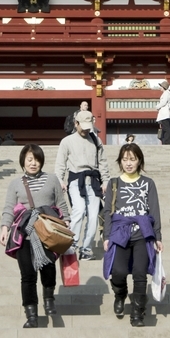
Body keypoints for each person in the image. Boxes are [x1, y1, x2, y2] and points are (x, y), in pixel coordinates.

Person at [0, 144, 70, 328]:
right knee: (27, 275)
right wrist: (5, 228)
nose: (33, 163)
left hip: (48, 232)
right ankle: (31, 315)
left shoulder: (52, 179)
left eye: (37, 160)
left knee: (48, 268)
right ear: (23, 161)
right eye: (29, 159)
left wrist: (66, 221)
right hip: (24, 234)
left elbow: (61, 204)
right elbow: (9, 208)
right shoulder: (15, 184)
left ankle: (49, 299)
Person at [102, 143, 163, 327]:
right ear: (120, 161)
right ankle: (120, 294)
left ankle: (137, 313)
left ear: (139, 161)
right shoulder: (114, 183)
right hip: (119, 233)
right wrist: (106, 236)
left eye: (133, 159)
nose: (128, 163)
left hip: (142, 233)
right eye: (125, 159)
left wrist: (157, 236)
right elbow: (107, 212)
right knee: (118, 271)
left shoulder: (148, 183)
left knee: (140, 273)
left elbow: (154, 210)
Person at [55, 109, 109, 260]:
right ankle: (71, 244)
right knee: (78, 211)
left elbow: (103, 162)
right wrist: (60, 180)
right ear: (76, 123)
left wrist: (105, 181)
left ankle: (86, 249)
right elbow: (60, 163)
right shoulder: (67, 141)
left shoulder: (96, 141)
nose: (85, 130)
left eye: (88, 127)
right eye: (83, 126)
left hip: (94, 181)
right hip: (76, 180)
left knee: (93, 217)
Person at [155, 80, 170, 145]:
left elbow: (163, 102)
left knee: (166, 128)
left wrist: (157, 106)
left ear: (163, 87)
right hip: (164, 113)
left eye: (161, 86)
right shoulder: (167, 93)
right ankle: (166, 141)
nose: (160, 87)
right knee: (165, 128)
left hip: (165, 114)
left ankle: (168, 141)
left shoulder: (166, 93)